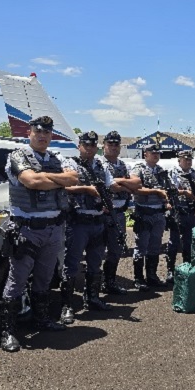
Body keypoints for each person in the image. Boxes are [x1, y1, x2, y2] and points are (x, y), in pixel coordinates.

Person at [0, 115, 79, 353]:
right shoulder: (17, 156)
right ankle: (8, 331)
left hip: (54, 228)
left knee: (44, 277)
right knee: (17, 280)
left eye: (46, 132)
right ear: (29, 133)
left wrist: (46, 178)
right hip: (27, 228)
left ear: (51, 134)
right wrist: (54, 179)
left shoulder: (57, 157)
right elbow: (31, 181)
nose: (42, 136)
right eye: (38, 132)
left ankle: (41, 319)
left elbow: (73, 179)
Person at [60, 131, 123, 324]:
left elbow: (111, 185)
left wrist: (107, 196)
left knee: (95, 263)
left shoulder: (100, 165)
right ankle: (67, 306)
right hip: (78, 221)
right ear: (79, 146)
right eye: (86, 145)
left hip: (98, 221)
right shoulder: (71, 164)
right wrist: (86, 189)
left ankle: (93, 298)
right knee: (72, 264)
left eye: (93, 146)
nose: (89, 149)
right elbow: (64, 187)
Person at [100, 131, 138, 295]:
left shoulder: (122, 165)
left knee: (116, 250)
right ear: (104, 146)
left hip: (120, 213)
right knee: (98, 251)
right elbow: (111, 186)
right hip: (103, 213)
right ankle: (94, 286)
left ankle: (110, 281)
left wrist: (120, 183)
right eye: (110, 144)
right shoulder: (98, 163)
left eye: (116, 144)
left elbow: (136, 184)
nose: (114, 147)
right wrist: (125, 184)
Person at [129, 144, 171, 290]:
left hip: (159, 213)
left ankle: (152, 276)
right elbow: (136, 188)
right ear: (145, 154)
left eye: (157, 153)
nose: (156, 155)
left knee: (155, 246)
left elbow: (168, 188)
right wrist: (156, 192)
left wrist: (167, 200)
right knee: (141, 246)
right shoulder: (138, 168)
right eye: (152, 153)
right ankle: (138, 278)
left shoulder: (161, 170)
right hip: (144, 212)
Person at [164, 150, 195, 282]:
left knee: (188, 242)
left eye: (190, 159)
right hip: (178, 211)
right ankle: (170, 270)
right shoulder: (172, 172)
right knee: (174, 242)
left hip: (192, 212)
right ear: (179, 160)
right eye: (185, 159)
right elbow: (169, 191)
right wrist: (184, 192)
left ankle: (187, 267)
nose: (188, 161)